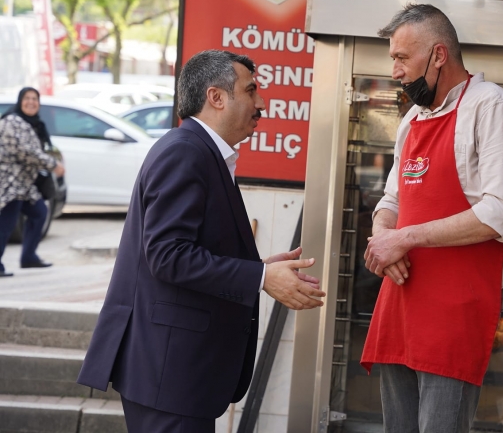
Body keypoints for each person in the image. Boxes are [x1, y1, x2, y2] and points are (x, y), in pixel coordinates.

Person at [77, 50, 326, 432]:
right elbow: (167, 255)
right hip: (169, 372)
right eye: (252, 90)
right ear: (216, 97)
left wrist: (262, 268)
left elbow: (189, 249)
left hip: (179, 374)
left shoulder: (200, 152)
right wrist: (260, 278)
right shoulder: (185, 152)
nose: (262, 103)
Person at [360, 4, 503, 432]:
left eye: (402, 58)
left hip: (455, 305)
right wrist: (382, 236)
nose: (396, 70)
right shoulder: (412, 120)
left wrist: (405, 239)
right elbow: (391, 198)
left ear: (439, 55)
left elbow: (502, 212)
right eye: (393, 59)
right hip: (401, 297)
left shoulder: (492, 107)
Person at [0, 87, 65, 276]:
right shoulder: (11, 121)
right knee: (6, 224)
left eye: (35, 99)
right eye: (27, 98)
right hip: (9, 183)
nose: (31, 102)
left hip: (25, 185)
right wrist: (53, 164)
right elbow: (25, 151)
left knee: (39, 212)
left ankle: (28, 257)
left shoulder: (34, 124)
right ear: (20, 101)